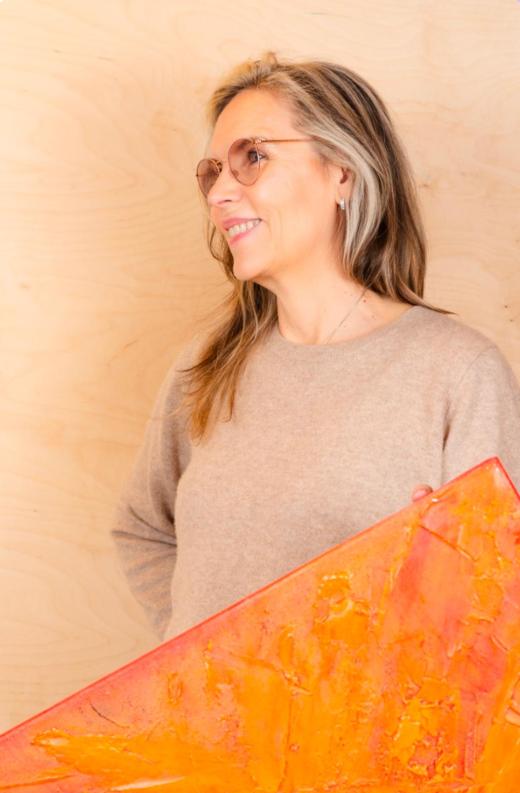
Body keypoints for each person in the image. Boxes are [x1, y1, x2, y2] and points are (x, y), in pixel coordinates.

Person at [109, 52, 520, 642]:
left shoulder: (459, 374)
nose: (219, 193)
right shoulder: (205, 368)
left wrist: (442, 592)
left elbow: (490, 619)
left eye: (253, 157)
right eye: (213, 172)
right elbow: (142, 527)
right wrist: (192, 648)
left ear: (342, 172)